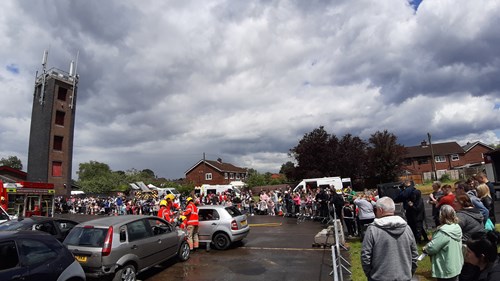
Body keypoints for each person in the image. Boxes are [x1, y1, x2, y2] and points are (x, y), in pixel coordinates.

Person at [361, 196, 418, 281]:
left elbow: (366, 256)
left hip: (379, 277)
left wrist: (370, 275)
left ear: (380, 210)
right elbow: (414, 254)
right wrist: (409, 272)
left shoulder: (373, 229)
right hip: (404, 277)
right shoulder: (407, 228)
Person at [423, 205, 464, 281]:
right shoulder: (456, 227)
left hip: (445, 267)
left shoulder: (444, 232)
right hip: (456, 264)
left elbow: (432, 247)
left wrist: (425, 248)